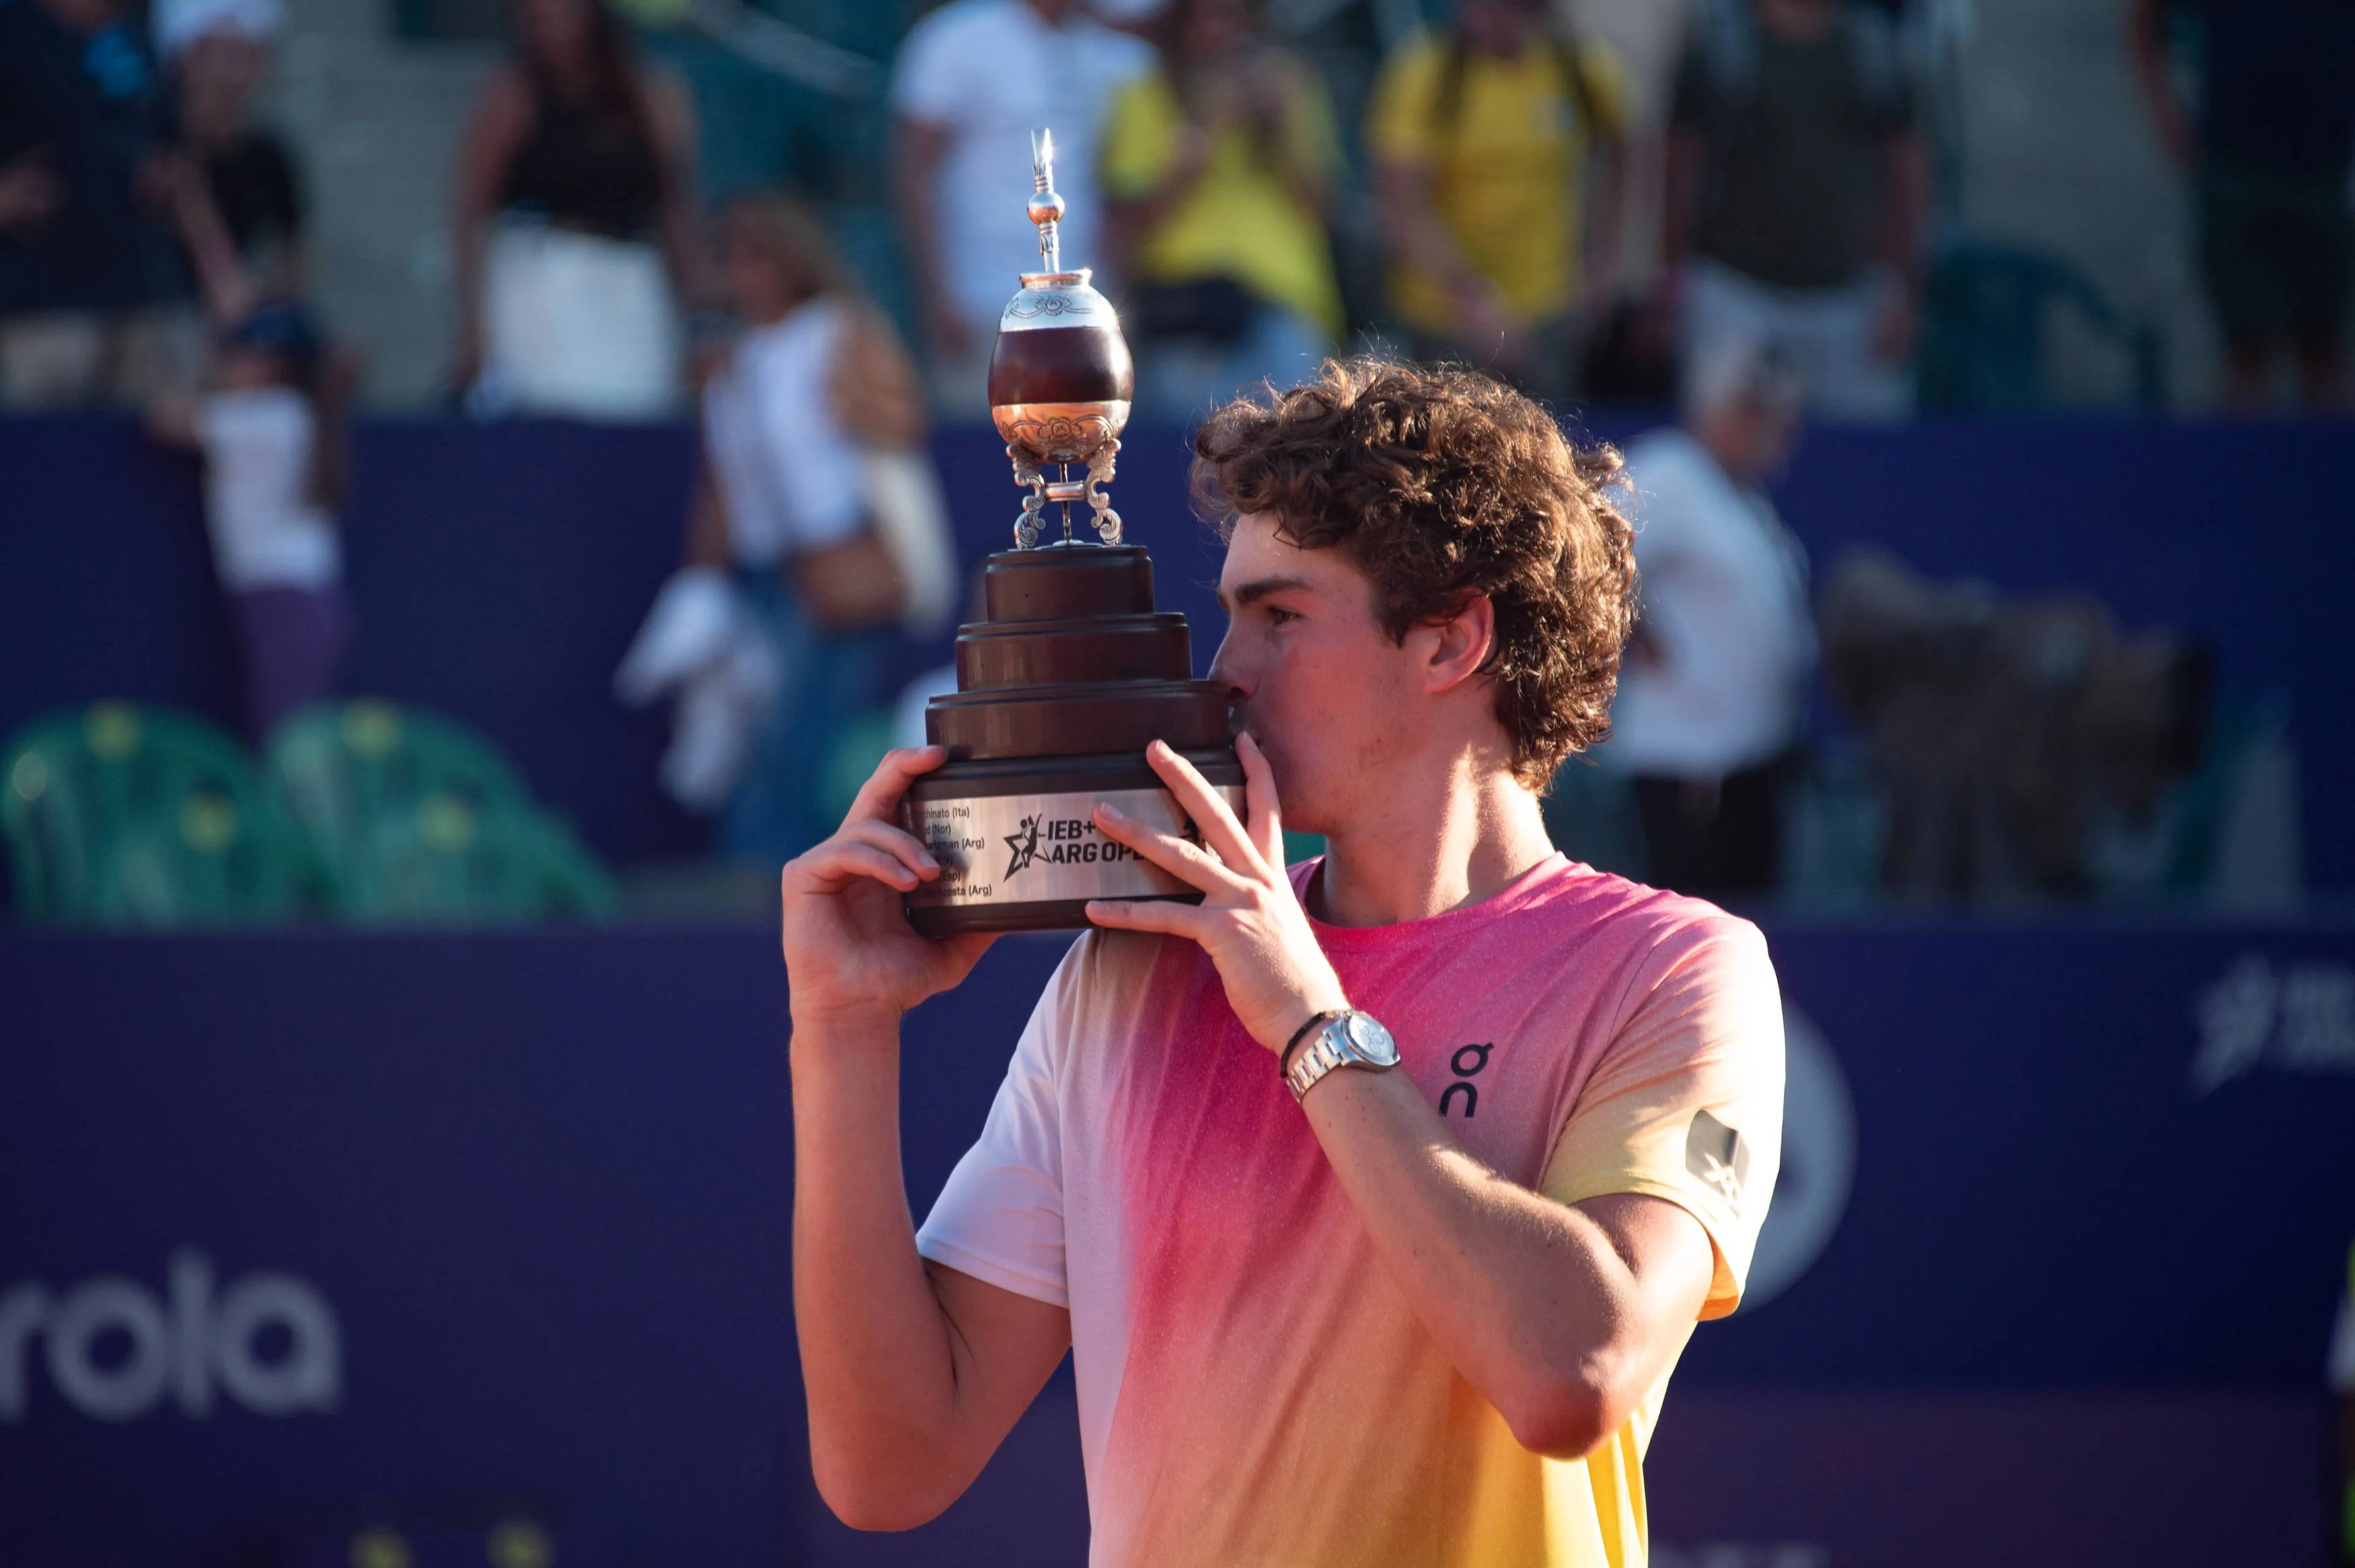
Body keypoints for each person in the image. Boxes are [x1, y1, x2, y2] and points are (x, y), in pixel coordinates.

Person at [783, 358, 1786, 1566]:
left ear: (1451, 639)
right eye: (1232, 615)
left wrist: (1312, 1021)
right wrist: (841, 1029)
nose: (1226, 671)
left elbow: (1575, 1372)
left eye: (1282, 617)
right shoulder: (1130, 971)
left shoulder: (1674, 970)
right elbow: (888, 1465)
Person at [618, 194, 954, 860]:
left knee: (804, 733)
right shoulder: (732, 361)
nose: (744, 277)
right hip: (763, 568)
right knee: (756, 735)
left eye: (758, 260)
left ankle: (794, 872)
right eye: (731, 262)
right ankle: (766, 876)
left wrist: (854, 400)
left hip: (832, 556)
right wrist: (705, 577)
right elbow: (721, 480)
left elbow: (903, 419)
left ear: (793, 261)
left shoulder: (838, 328)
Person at [1607, 342, 1813, 899]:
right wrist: (1639, 629)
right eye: (1759, 411)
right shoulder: (1671, 470)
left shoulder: (1740, 494)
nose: (1777, 431)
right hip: (1687, 769)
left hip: (1752, 762)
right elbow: (1591, 544)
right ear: (1726, 410)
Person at [1660, 0, 1928, 421]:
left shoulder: (1876, 52)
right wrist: (1674, 279)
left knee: (1861, 451)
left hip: (1852, 299)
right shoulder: (1721, 46)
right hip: (1735, 292)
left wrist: (1903, 291)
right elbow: (1681, 168)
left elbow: (1907, 174)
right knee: (1721, 443)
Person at [889, 0, 1150, 414]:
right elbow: (915, 171)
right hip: (981, 301)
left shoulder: (1110, 50)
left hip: (1084, 306)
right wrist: (938, 294)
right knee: (987, 441)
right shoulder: (957, 38)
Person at [1366, 0, 1630, 402]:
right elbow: (1403, 204)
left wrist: (1602, 262)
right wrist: (1473, 297)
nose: (1485, 16)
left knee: (1550, 435)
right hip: (1444, 319)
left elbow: (1624, 147)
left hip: (1547, 309)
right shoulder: (1428, 74)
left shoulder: (1576, 67)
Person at [450, 0, 702, 419]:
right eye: (536, 18)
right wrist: (473, 322)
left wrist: (699, 308)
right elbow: (471, 209)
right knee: (551, 418)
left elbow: (676, 204)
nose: (551, 29)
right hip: (544, 277)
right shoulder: (514, 94)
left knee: (635, 413)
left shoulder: (650, 92)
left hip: (631, 278)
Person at [1099, 0, 1343, 422]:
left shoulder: (1289, 84)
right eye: (1205, 14)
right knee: (1199, 445)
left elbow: (1322, 210)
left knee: (1303, 444)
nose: (1219, 28)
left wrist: (1281, 130)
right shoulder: (1144, 94)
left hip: (1286, 296)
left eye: (1232, 13)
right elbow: (1130, 225)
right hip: (1192, 307)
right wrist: (1205, 127)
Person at [2128, 0, 2355, 410]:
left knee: (2323, 352)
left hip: (2325, 172)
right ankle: (2245, 451)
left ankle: (2325, 453)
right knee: (2246, 354)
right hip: (2234, 171)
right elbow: (2143, 22)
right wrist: (2167, 119)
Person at [147, 298, 350, 741]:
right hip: (292, 597)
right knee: (285, 729)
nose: (228, 365)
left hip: (284, 599)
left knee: (284, 734)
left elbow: (167, 420)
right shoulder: (290, 415)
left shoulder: (269, 416)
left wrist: (198, 381)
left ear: (275, 365)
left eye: (242, 356)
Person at [0, 0, 198, 407]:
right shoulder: (12, 25)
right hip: (37, 309)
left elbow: (174, 138)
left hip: (146, 299)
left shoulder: (143, 27)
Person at [154, 0, 304, 314]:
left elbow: (293, 260)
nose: (230, 74)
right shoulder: (155, 144)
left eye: (245, 57)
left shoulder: (270, 156)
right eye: (216, 56)